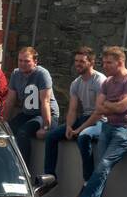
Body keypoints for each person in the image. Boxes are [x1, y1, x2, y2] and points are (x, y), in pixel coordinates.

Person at [61, 47, 127, 197]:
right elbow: (98, 107)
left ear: (120, 62)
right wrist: (111, 105)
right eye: (104, 62)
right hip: (109, 127)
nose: (105, 66)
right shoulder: (107, 82)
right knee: (101, 169)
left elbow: (121, 107)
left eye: (109, 63)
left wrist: (109, 105)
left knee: (103, 166)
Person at [44, 47, 104, 184]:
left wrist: (79, 129)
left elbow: (99, 113)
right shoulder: (76, 83)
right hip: (85, 117)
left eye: (82, 61)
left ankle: (88, 180)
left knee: (84, 137)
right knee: (51, 136)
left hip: (101, 120)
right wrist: (69, 127)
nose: (78, 64)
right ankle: (50, 177)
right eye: (76, 61)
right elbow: (72, 109)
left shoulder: (99, 80)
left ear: (91, 62)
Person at [2, 46, 60, 171]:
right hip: (27, 114)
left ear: (35, 62)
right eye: (20, 60)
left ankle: (23, 171)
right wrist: (3, 122)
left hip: (45, 115)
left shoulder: (42, 74)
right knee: (6, 131)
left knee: (23, 133)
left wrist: (46, 127)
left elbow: (45, 102)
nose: (22, 64)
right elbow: (10, 100)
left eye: (26, 61)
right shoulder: (16, 74)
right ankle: (7, 167)